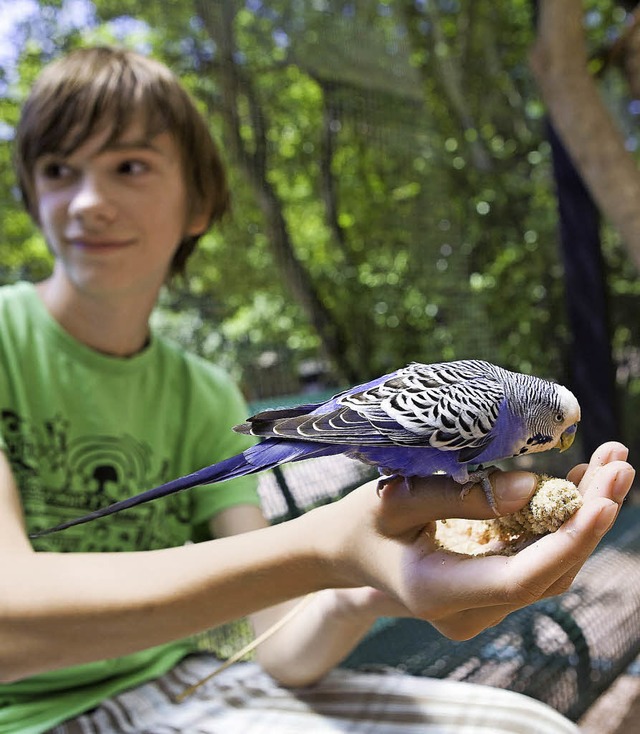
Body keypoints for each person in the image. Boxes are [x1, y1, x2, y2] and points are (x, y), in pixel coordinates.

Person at [0, 45, 633, 734]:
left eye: (129, 166)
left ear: (201, 204)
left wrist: (374, 581)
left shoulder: (204, 391)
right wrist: (324, 546)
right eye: (60, 169)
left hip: (182, 686)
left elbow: (281, 644)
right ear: (29, 193)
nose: (90, 202)